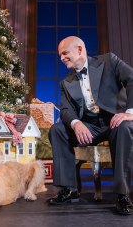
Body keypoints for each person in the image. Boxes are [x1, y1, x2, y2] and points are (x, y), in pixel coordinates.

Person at [48, 36, 133, 215]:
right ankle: (69, 189)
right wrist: (76, 123)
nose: (62, 58)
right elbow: (65, 110)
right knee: (57, 130)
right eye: (60, 55)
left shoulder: (109, 61)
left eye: (65, 53)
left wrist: (129, 113)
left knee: (124, 128)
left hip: (114, 121)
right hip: (89, 127)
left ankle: (122, 194)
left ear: (79, 49)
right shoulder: (66, 82)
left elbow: (132, 79)